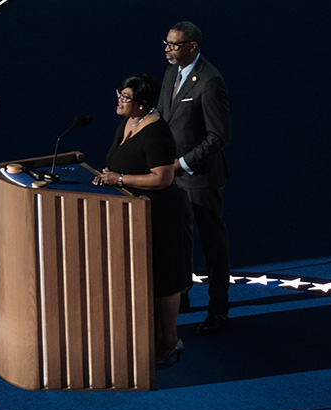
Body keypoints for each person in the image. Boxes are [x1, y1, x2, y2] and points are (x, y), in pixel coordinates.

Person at [94, 74, 190, 364]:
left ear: (142, 104)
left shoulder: (156, 133)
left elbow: (163, 178)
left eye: (126, 98)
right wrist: (109, 175)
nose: (120, 101)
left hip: (160, 214)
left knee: (164, 278)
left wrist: (119, 178)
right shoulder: (129, 122)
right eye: (120, 94)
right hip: (133, 212)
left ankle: (170, 342)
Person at [157, 21, 232, 335]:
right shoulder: (171, 73)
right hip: (171, 177)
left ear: (193, 46)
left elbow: (219, 135)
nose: (168, 49)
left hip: (198, 177)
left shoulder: (210, 81)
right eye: (167, 42)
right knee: (178, 241)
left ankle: (218, 308)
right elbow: (164, 117)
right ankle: (182, 295)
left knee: (212, 244)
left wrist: (182, 164)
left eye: (174, 44)